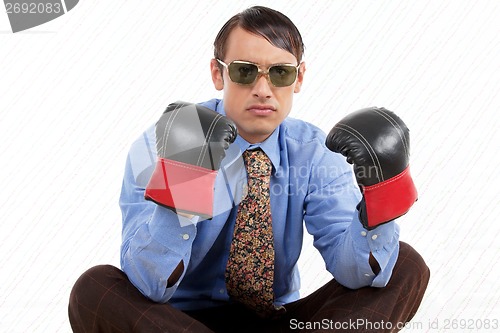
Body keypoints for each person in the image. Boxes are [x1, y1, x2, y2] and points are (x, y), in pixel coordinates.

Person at [68, 6, 429, 332]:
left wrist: (379, 205)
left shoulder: (316, 151)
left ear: (299, 78)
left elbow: (355, 273)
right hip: (177, 322)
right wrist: (178, 191)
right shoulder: (160, 144)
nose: (262, 89)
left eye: (280, 73)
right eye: (245, 71)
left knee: (404, 264)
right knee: (94, 289)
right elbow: (148, 286)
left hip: (280, 320)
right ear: (217, 73)